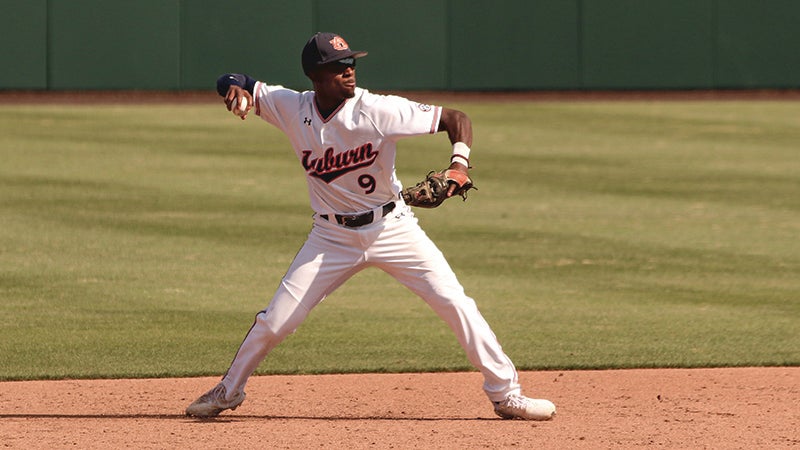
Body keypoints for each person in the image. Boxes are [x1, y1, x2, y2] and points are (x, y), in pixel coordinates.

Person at [185, 32, 556, 421]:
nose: (350, 71)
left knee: (455, 303)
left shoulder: (378, 109)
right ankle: (228, 389)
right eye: (339, 66)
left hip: (393, 228)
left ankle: (506, 394)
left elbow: (455, 119)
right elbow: (234, 79)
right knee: (277, 322)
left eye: (351, 63)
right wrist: (232, 91)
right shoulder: (291, 107)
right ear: (315, 74)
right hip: (331, 237)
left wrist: (458, 164)